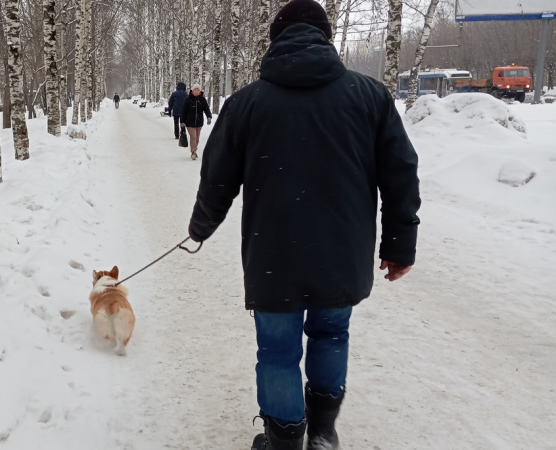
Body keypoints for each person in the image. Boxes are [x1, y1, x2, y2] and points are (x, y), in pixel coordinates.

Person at [186, 1, 421, 449]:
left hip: (274, 253)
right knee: (332, 332)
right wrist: (400, 244)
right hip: (342, 251)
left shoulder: (247, 103)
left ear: (275, 40)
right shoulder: (369, 96)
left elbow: (216, 177)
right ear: (326, 37)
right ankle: (324, 432)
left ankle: (285, 441)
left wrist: (200, 227)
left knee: (277, 350)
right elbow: (401, 173)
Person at [180, 84, 212, 160]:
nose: (196, 91)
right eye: (195, 90)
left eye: (198, 90)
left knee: (197, 138)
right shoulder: (188, 100)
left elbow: (206, 109)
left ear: (200, 91)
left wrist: (209, 117)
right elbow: (184, 111)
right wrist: (182, 121)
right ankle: (193, 152)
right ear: (192, 91)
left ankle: (195, 149)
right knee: (193, 137)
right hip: (189, 122)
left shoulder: (202, 100)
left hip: (199, 122)